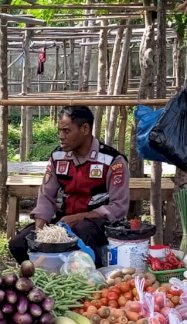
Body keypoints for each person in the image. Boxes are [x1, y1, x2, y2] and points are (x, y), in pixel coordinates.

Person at [8, 106, 130, 265]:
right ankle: (41, 280)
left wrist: (79, 217)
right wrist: (39, 235)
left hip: (98, 225)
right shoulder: (57, 156)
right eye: (59, 131)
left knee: (81, 233)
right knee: (18, 243)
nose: (61, 136)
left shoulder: (112, 160)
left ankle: (91, 279)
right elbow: (46, 196)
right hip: (62, 223)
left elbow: (119, 207)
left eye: (66, 131)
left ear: (85, 128)